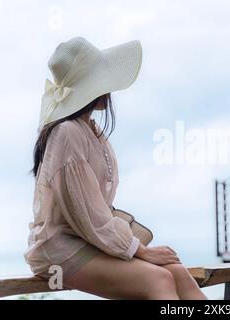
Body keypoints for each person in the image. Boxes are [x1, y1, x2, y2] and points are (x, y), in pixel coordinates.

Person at [24, 37, 207, 300]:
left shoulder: (90, 129)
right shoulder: (67, 132)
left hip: (86, 240)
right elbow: (87, 215)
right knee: (158, 279)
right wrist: (140, 250)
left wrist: (136, 249)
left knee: (175, 271)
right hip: (60, 249)